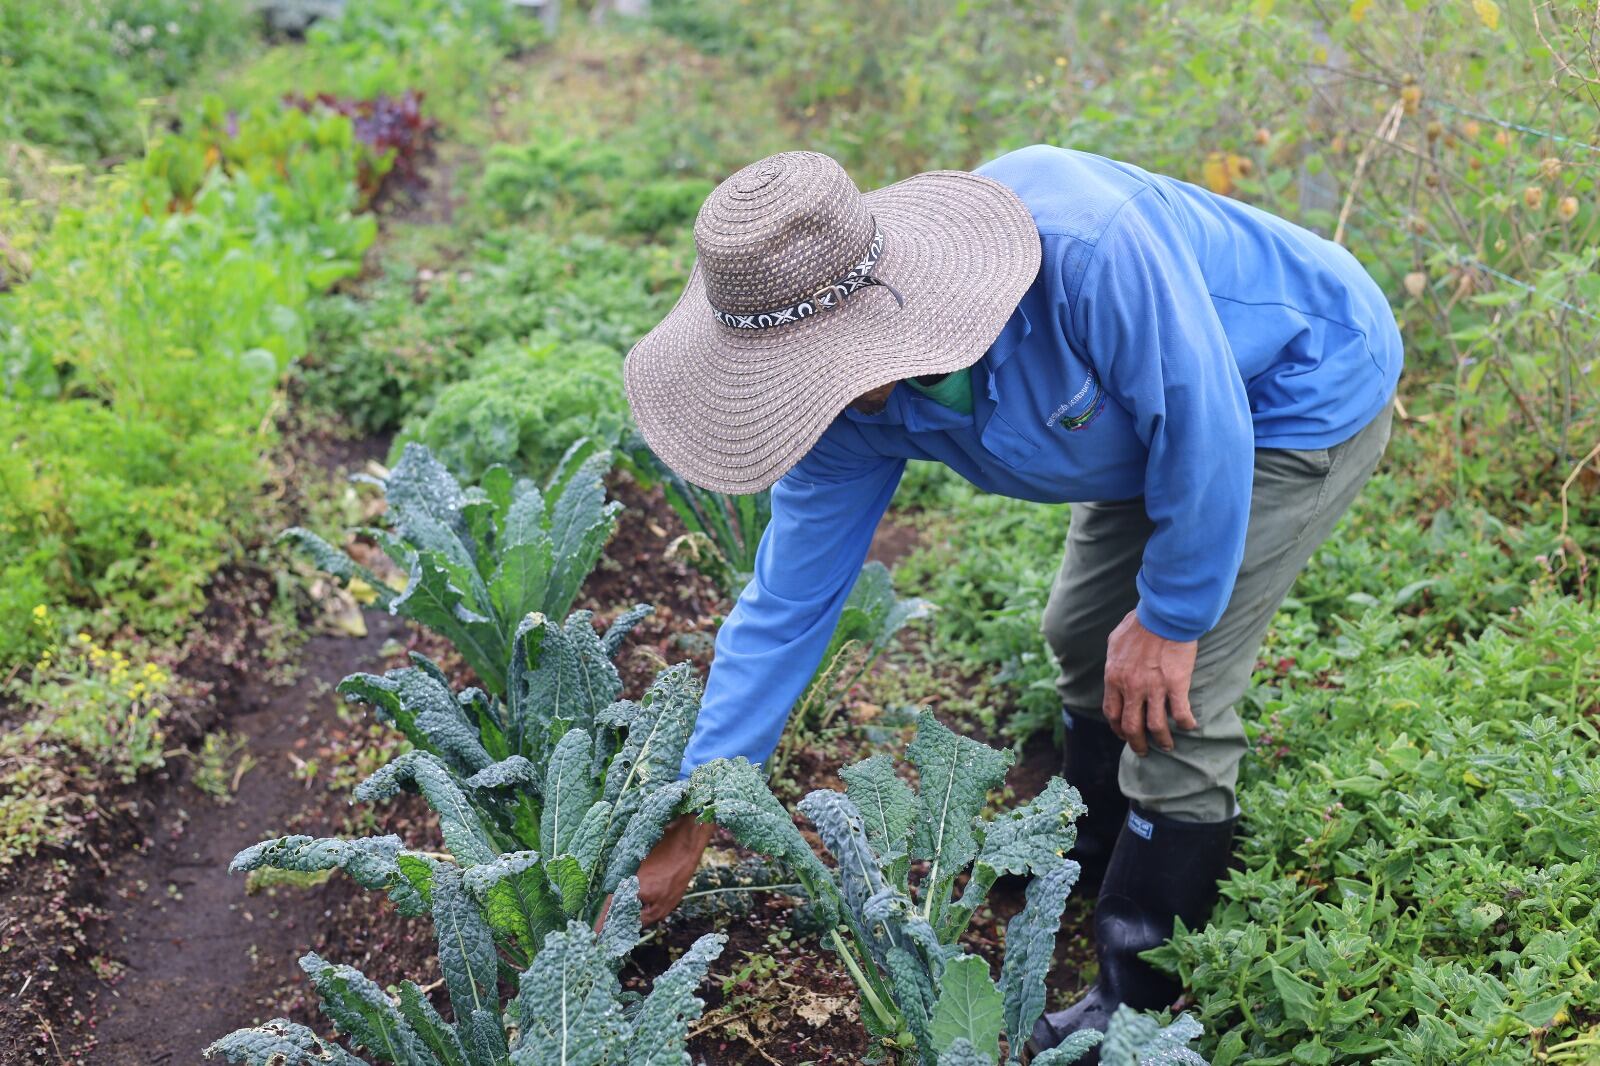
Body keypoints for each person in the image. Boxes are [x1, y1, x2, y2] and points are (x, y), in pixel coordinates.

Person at [621, 145, 1401, 1056]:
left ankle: (1138, 997)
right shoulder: (836, 417)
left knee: (1176, 699)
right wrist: (697, 808)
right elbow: (786, 606)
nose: (806, 396)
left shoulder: (1088, 255)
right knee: (1081, 634)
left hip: (1288, 395)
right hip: (1148, 429)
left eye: (814, 369)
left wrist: (1172, 619)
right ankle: (1089, 847)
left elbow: (1206, 423)